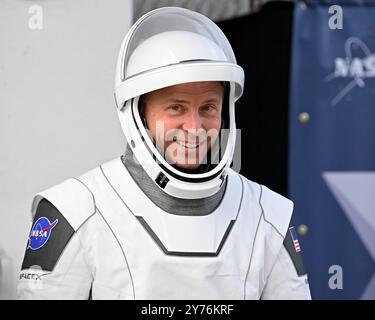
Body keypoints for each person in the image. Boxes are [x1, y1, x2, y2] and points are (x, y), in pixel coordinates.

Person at [17, 7, 311, 300]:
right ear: (140, 111)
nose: (195, 127)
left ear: (226, 112)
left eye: (208, 108)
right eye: (176, 107)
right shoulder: (75, 211)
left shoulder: (268, 216)